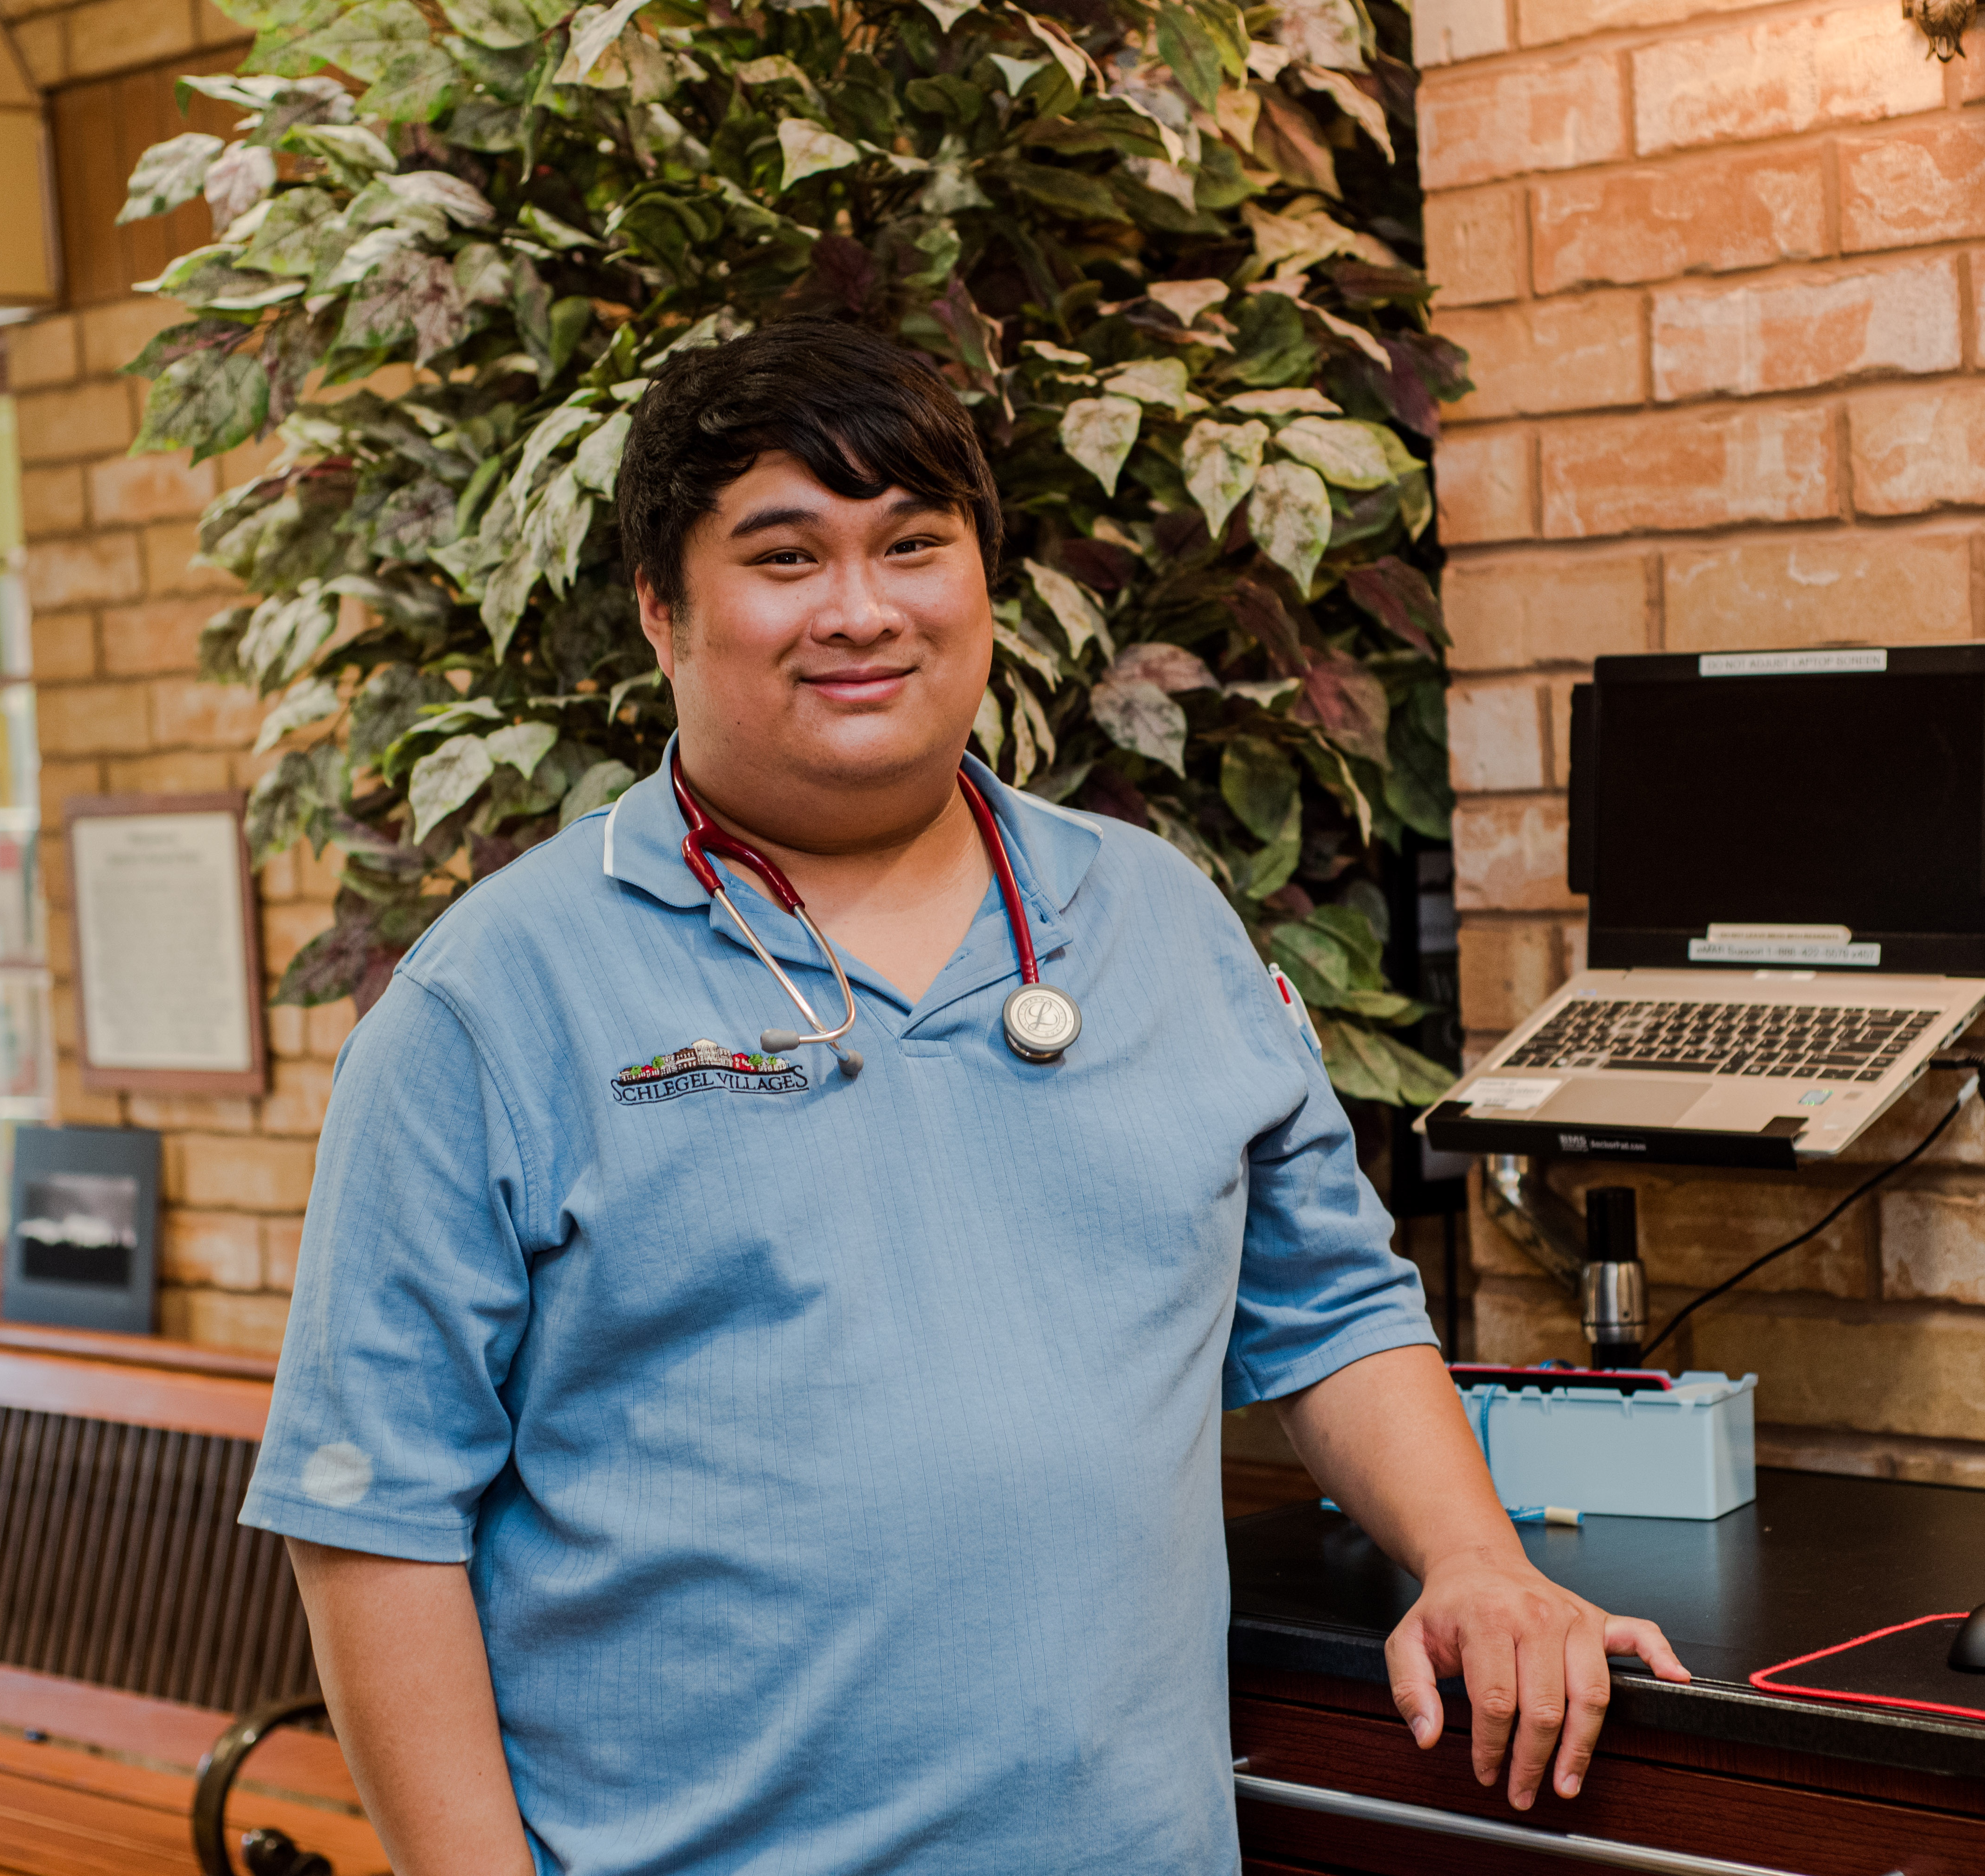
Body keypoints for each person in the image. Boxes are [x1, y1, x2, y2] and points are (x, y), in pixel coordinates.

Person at [241, 320, 1689, 1876]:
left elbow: (1330, 1306)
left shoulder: (1154, 918)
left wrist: (1474, 1559)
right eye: (785, 558)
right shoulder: (495, 1000)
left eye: (914, 546)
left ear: (982, 583)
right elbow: (376, 1516)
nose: (862, 612)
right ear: (664, 612)